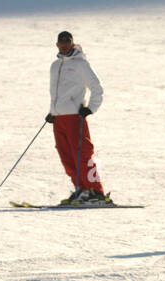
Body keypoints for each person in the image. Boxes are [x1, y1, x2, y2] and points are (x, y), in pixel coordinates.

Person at [47, 30, 108, 204]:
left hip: (75, 117)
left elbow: (97, 88)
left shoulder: (81, 64)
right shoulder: (55, 66)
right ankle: (81, 190)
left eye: (68, 41)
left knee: (82, 154)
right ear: (57, 44)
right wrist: (53, 111)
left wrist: (90, 108)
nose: (65, 44)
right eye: (62, 41)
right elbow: (57, 93)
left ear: (72, 43)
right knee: (66, 156)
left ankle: (95, 192)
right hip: (59, 117)